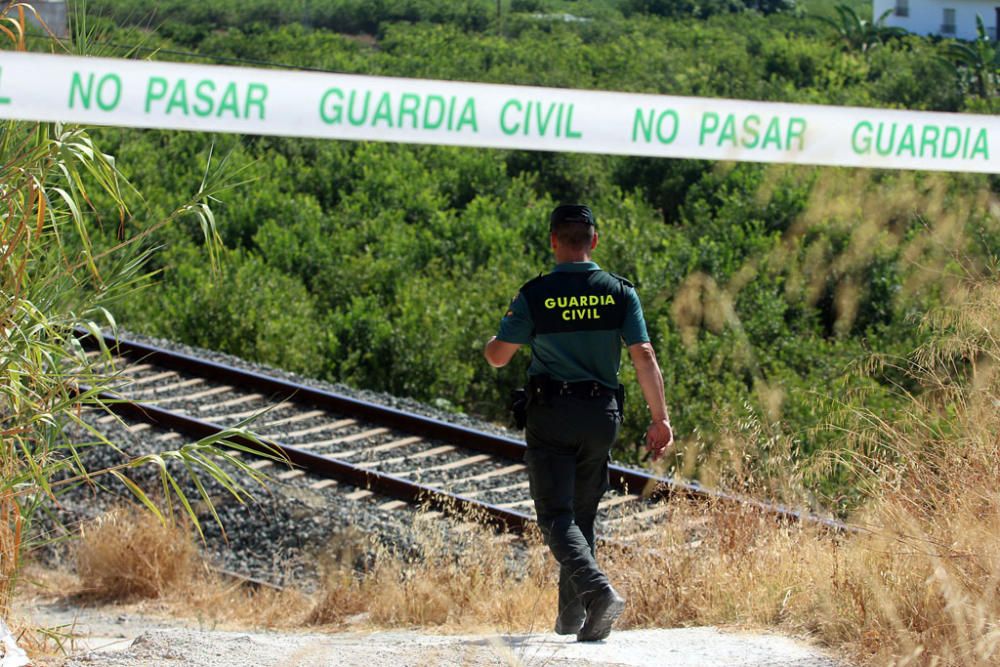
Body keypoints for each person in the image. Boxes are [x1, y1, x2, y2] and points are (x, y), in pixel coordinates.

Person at [484, 204, 673, 642]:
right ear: (594, 241)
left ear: (553, 241)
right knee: (581, 514)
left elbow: (498, 357)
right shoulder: (619, 292)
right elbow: (644, 356)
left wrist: (496, 339)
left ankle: (598, 592)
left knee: (555, 514)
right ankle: (571, 618)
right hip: (601, 415)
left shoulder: (536, 294)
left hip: (552, 414)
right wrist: (660, 418)